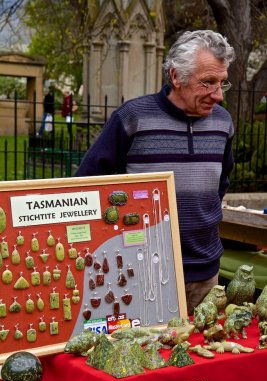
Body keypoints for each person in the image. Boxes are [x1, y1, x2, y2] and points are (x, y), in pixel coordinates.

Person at [75, 30, 236, 315]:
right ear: (176, 77)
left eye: (222, 83)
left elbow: (219, 185)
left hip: (204, 276)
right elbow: (86, 184)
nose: (218, 95)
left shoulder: (223, 122)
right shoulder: (133, 117)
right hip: (141, 275)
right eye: (208, 82)